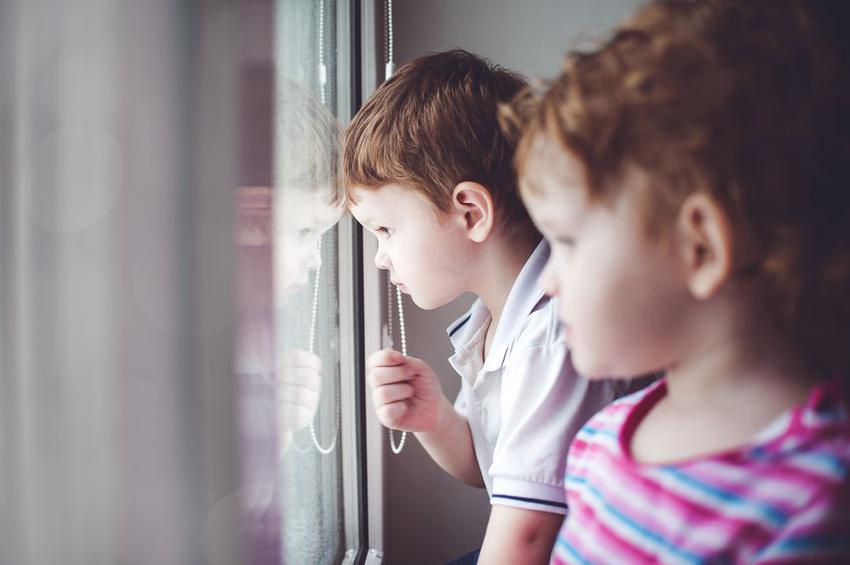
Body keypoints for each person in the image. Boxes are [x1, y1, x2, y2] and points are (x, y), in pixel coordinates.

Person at [503, 1, 850, 561]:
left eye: (567, 242)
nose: (546, 283)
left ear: (700, 249)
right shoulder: (599, 441)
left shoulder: (815, 498)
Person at [345, 49, 623, 563]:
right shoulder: (492, 323)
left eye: (386, 230)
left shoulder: (548, 335)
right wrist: (435, 419)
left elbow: (528, 538)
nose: (381, 259)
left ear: (470, 212)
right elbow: (492, 470)